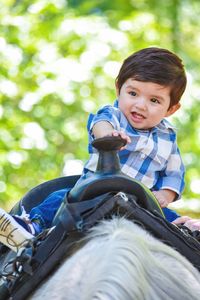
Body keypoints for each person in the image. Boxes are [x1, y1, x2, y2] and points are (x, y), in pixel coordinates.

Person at [0, 47, 199, 253]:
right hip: (96, 191)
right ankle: (30, 226)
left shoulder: (168, 137)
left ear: (171, 109)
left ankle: (190, 233)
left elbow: (175, 173)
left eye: (154, 100)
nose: (140, 105)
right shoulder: (113, 116)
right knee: (59, 198)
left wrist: (165, 194)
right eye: (133, 93)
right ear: (118, 89)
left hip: (143, 203)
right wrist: (109, 137)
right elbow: (100, 124)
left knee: (175, 222)